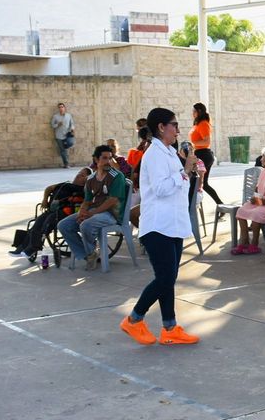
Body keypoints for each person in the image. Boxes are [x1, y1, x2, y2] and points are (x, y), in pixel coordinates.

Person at [120, 107, 199, 346]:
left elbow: (179, 188)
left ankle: (170, 327)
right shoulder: (154, 154)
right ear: (161, 127)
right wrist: (184, 172)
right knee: (165, 278)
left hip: (172, 224)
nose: (178, 129)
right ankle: (134, 319)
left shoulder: (169, 153)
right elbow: (161, 189)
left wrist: (189, 172)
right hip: (158, 226)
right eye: (174, 124)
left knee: (168, 278)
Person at [58, 145, 127, 271]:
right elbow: (88, 200)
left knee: (85, 225)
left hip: (112, 214)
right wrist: (83, 211)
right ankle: (89, 254)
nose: (108, 162)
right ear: (96, 159)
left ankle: (89, 253)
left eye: (110, 158)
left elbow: (113, 200)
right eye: (104, 158)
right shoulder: (91, 178)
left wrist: (92, 213)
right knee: (64, 225)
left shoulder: (117, 176)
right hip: (94, 212)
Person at [8, 167, 91, 258]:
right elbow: (49, 188)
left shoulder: (83, 189)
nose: (78, 175)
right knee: (37, 224)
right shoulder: (65, 184)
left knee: (46, 224)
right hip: (52, 209)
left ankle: (33, 248)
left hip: (64, 211)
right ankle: (20, 248)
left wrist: (88, 179)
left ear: (86, 178)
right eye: (78, 173)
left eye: (82, 175)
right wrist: (44, 200)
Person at [189, 102, 224, 207]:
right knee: (204, 184)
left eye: (194, 111)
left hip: (203, 155)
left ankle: (193, 205)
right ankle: (220, 204)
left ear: (199, 111)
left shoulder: (204, 123)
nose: (192, 113)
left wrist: (192, 145)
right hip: (200, 154)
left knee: (196, 182)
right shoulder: (198, 123)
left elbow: (206, 141)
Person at [51, 102, 75, 168]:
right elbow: (52, 125)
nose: (61, 108)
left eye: (62, 107)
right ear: (58, 108)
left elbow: (72, 123)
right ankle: (66, 164)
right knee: (63, 150)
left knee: (70, 144)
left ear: (64, 108)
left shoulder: (68, 115)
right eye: (59, 107)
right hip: (59, 136)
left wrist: (72, 129)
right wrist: (57, 124)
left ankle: (66, 158)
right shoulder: (55, 116)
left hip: (67, 135)